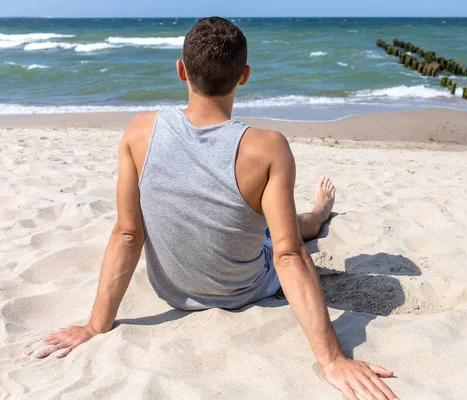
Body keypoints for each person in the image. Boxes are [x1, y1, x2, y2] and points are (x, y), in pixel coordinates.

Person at [33, 17, 397, 400]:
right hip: (244, 290)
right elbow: (289, 257)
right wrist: (332, 360)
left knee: (274, 229)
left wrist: (95, 325)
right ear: (244, 76)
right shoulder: (268, 147)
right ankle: (320, 214)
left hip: (172, 292)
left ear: (180, 70)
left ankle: (317, 214)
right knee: (282, 233)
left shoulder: (139, 131)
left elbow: (127, 233)